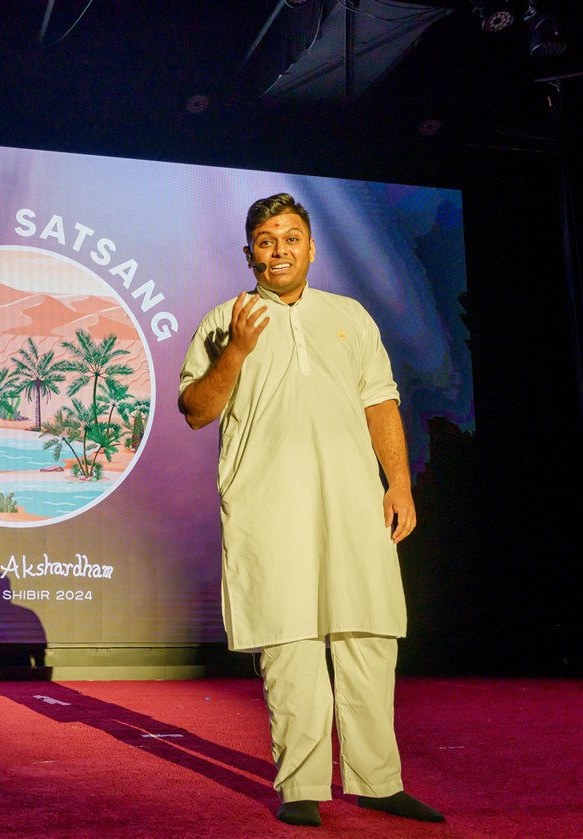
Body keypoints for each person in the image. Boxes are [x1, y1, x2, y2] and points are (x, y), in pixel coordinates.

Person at [177, 193, 444, 828]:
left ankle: (379, 782)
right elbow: (195, 410)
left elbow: (380, 401)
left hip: (354, 502)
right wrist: (236, 350)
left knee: (368, 635)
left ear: (311, 248)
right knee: (289, 640)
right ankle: (300, 786)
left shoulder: (349, 316)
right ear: (249, 253)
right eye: (266, 240)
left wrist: (399, 484)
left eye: (291, 237)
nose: (279, 250)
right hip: (268, 506)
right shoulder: (224, 320)